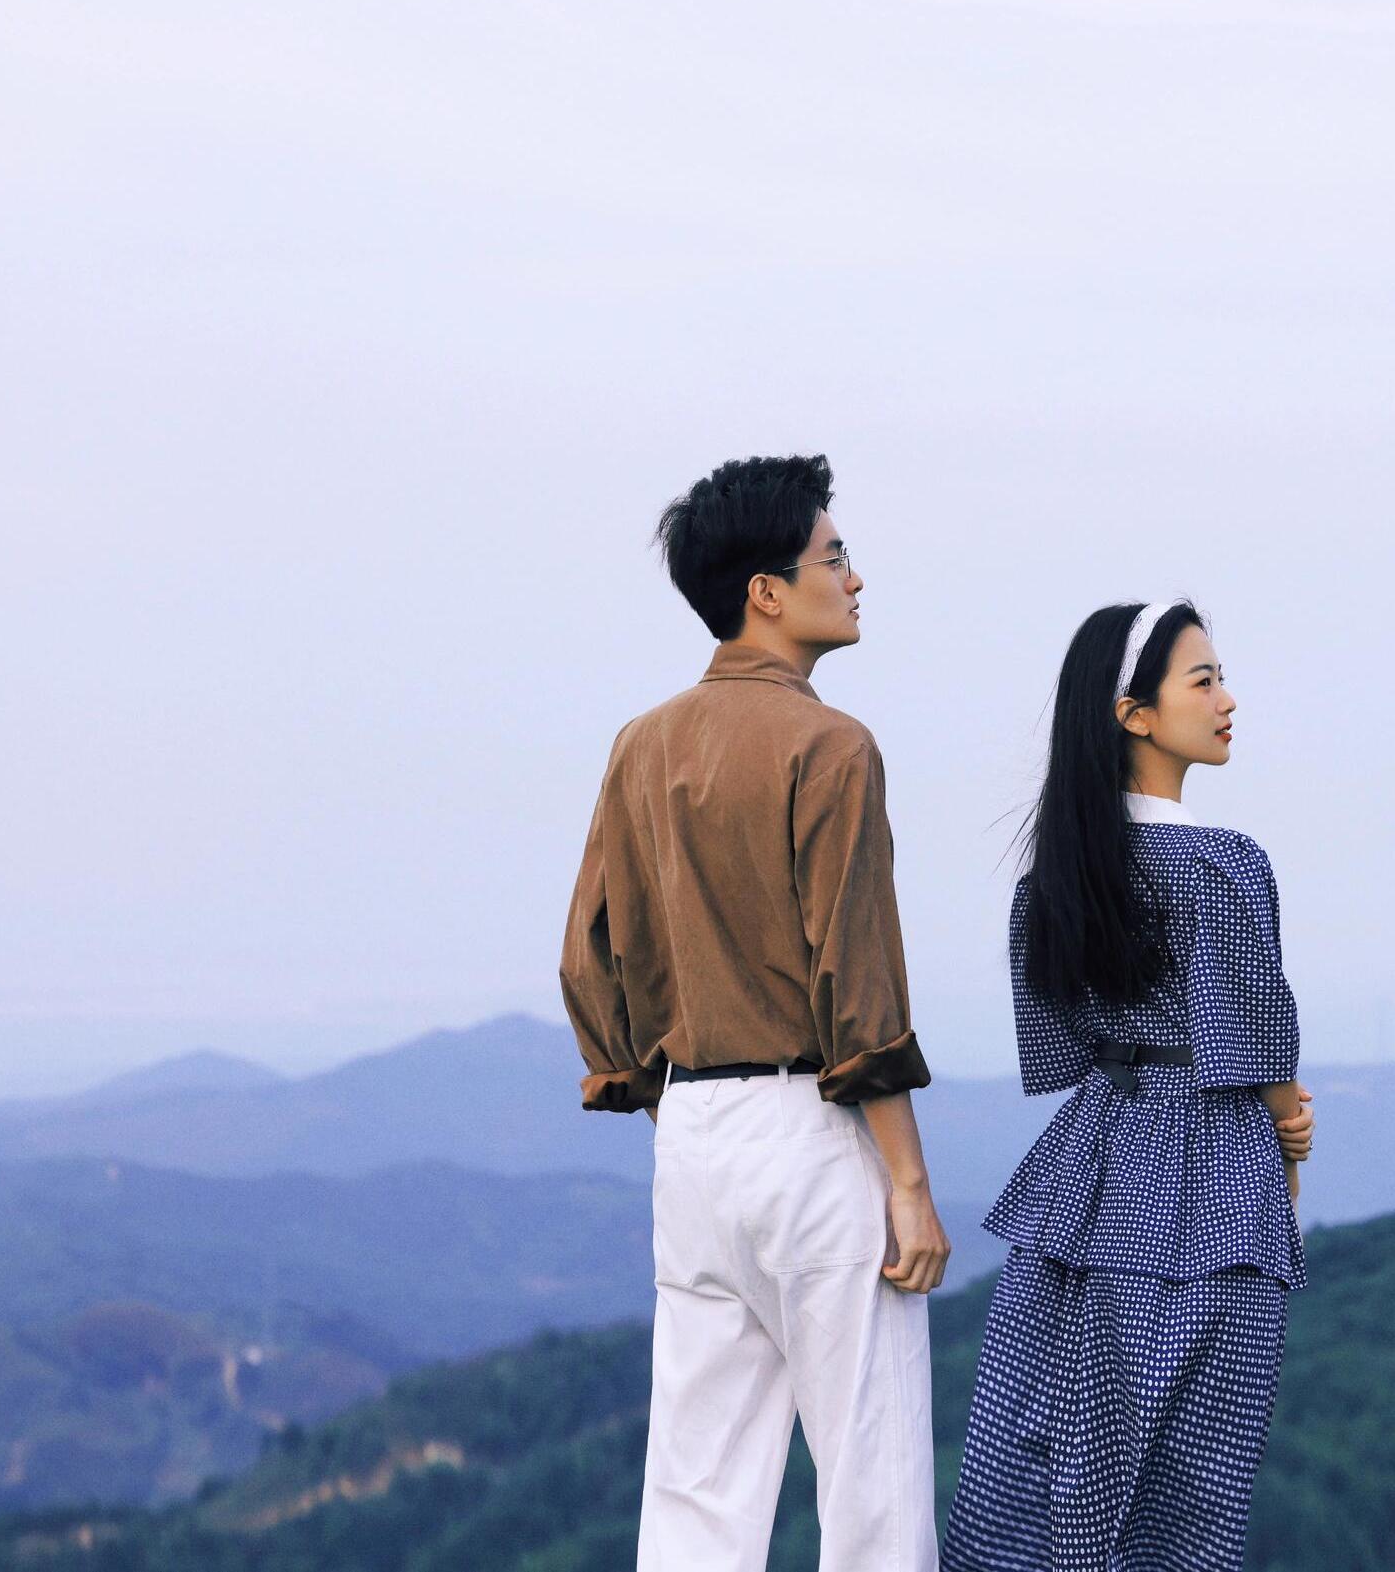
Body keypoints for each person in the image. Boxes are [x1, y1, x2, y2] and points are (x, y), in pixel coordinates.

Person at [560, 453, 949, 1572]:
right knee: (871, 1484)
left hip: (690, 1135)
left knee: (696, 1490)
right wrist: (909, 1187)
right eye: (834, 556)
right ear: (767, 591)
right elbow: (857, 986)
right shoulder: (832, 748)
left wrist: (660, 1094)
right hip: (815, 1134)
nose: (857, 576)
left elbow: (585, 959)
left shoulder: (640, 745)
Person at [943, 599, 1315, 1572]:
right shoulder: (1220, 865)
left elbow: (1058, 1046)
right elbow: (1259, 1041)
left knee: (1063, 1450)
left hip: (1088, 1167)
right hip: (1212, 1176)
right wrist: (1290, 1124)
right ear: (1132, 712)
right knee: (1190, 1479)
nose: (1228, 699)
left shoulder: (1052, 876)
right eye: (1204, 680)